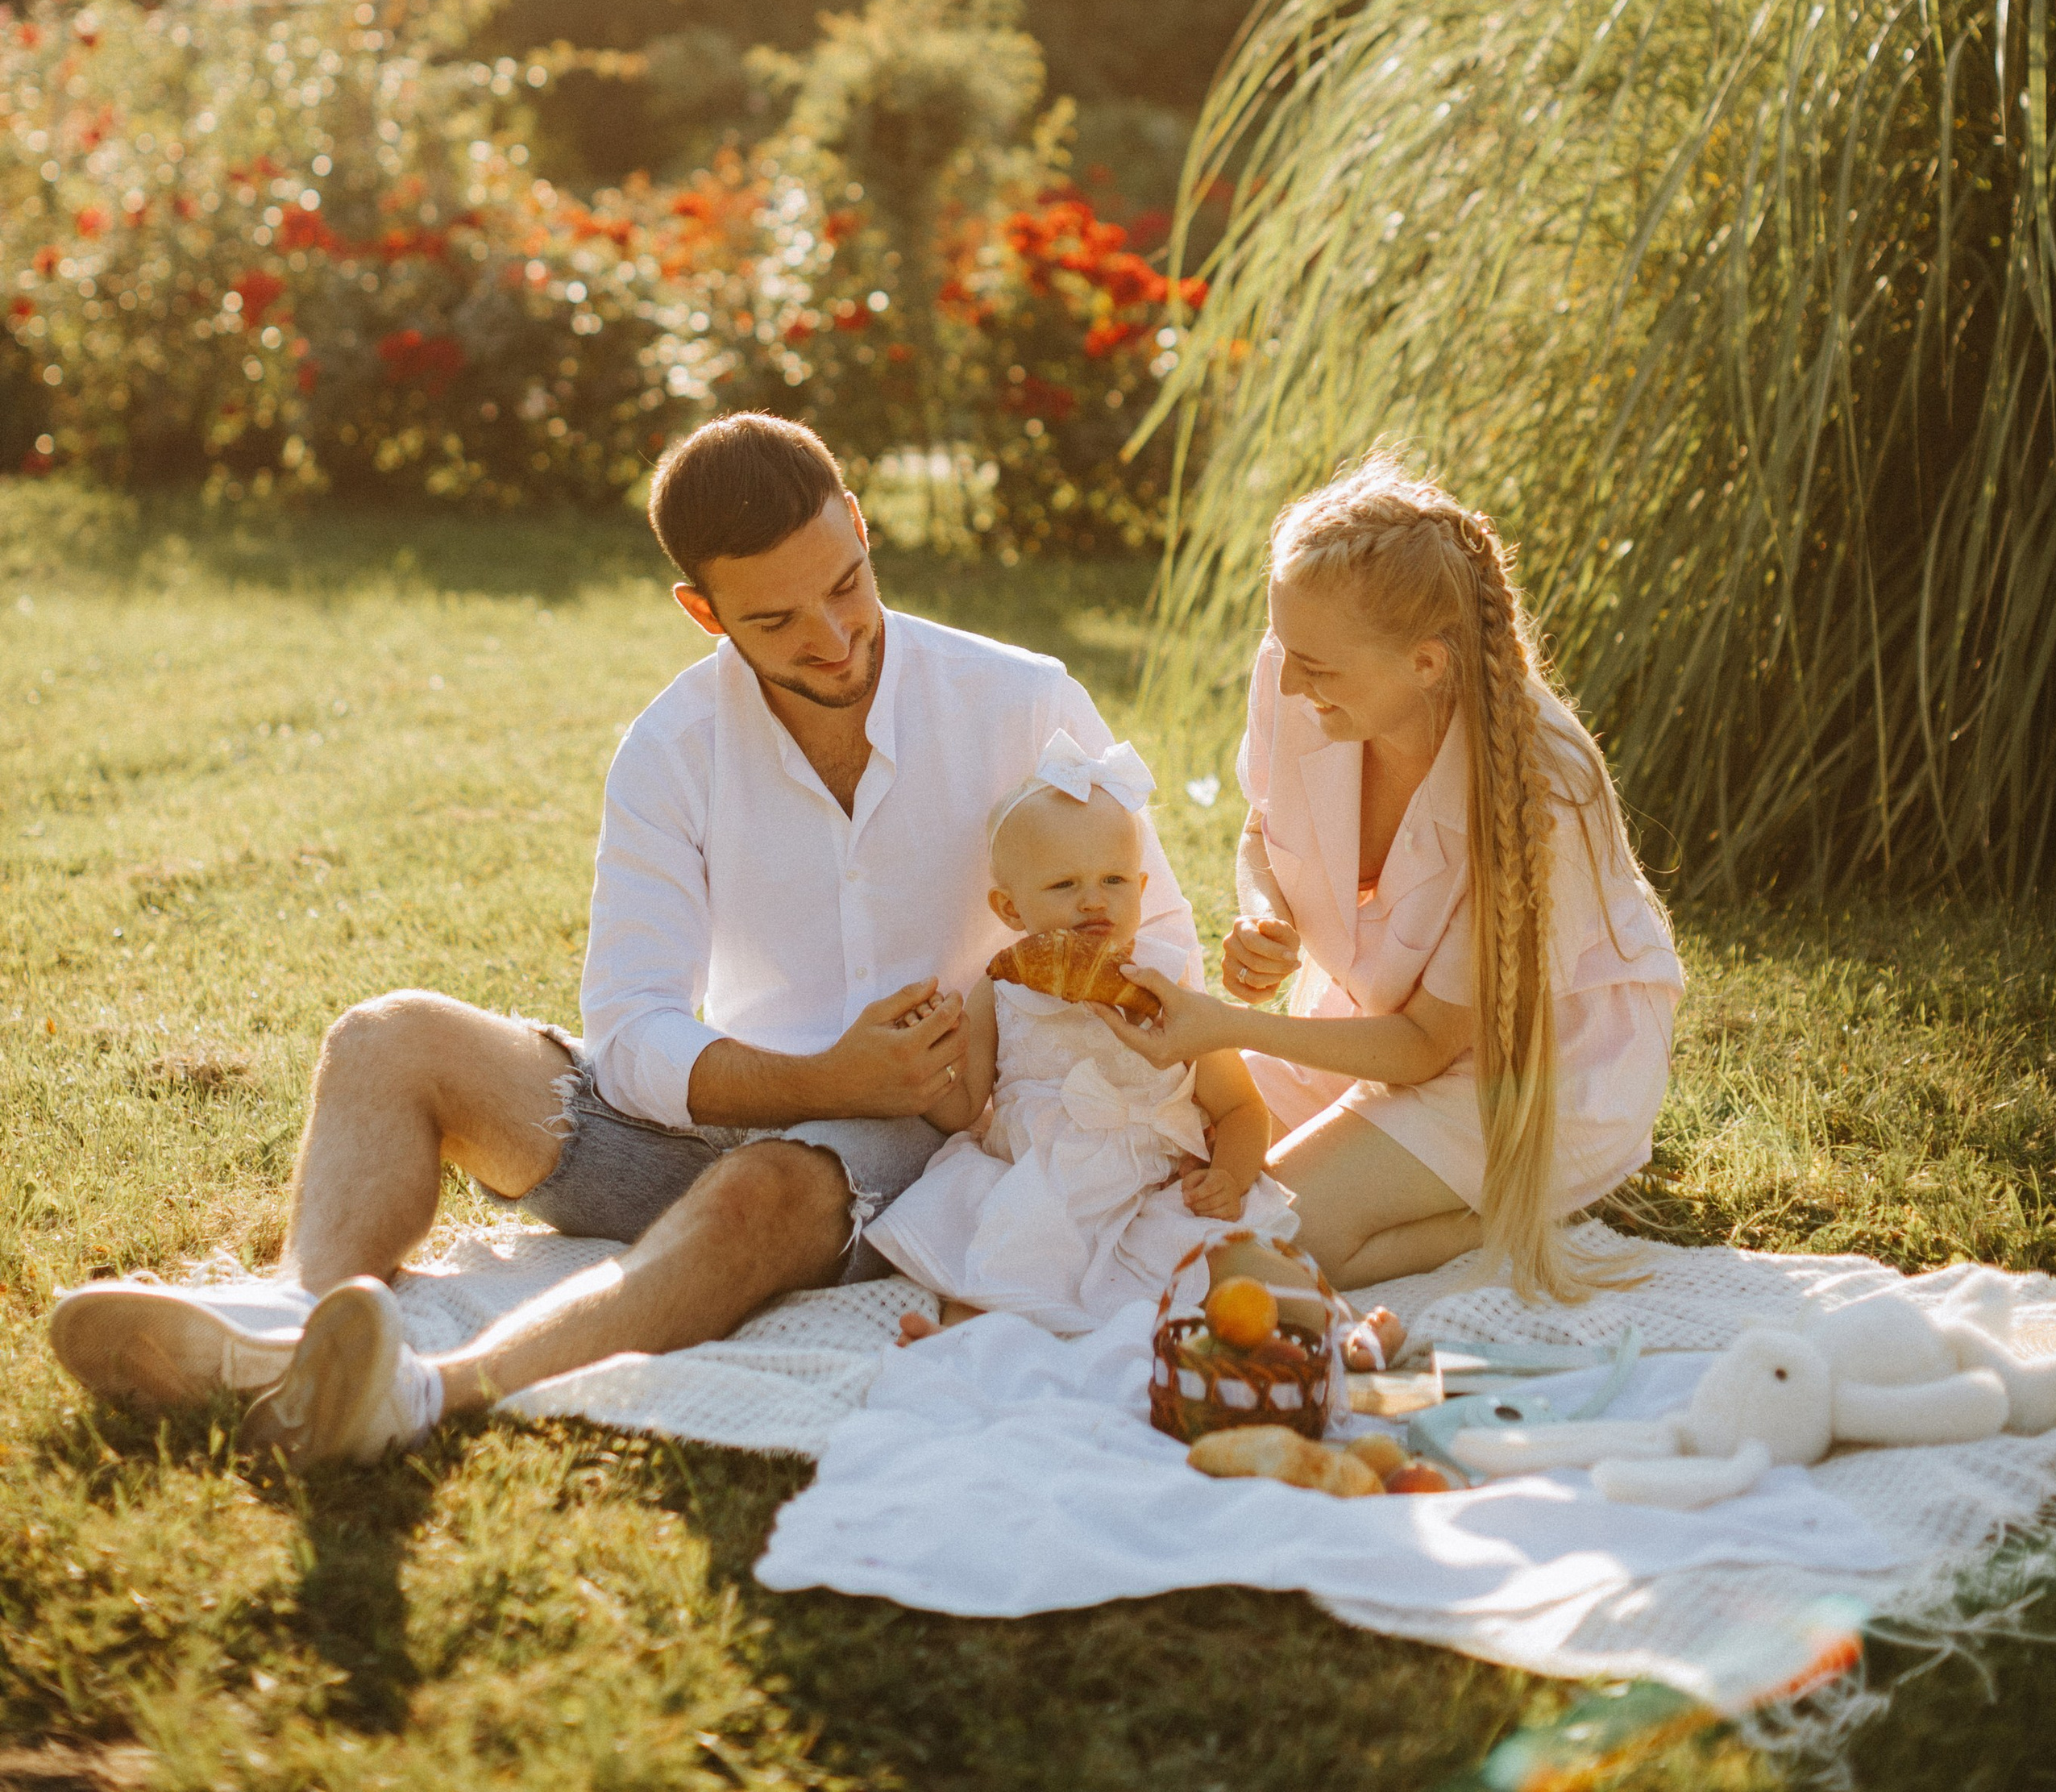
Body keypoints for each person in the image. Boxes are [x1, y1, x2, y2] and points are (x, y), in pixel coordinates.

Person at [48, 414, 1200, 1463]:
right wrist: (813, 1073)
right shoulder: (672, 746)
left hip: (916, 1153)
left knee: (760, 1191)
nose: (835, 637)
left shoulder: (1022, 700)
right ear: (703, 611)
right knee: (389, 1036)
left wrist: (953, 1089)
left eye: (846, 586)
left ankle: (423, 1392)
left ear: (858, 525)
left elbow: (1157, 940)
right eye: (776, 620)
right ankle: (303, 1330)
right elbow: (632, 1027)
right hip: (711, 1111)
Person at [1105, 454, 1682, 1303]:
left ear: (1425, 664)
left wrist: (1226, 1025)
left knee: (1263, 1240)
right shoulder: (1304, 671)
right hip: (1372, 1022)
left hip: (1534, 1067)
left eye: (1316, 666)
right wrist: (1267, 915)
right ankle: (1418, 1193)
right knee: (1152, 1146)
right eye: (1283, 648)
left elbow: (1423, 1047)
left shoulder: (1544, 790)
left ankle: (1519, 1204)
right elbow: (1263, 830)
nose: (1287, 681)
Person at [868, 733, 1290, 1336]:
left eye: (1115, 880)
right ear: (1010, 911)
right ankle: (964, 1345)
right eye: (1065, 886)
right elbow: (964, 1109)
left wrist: (1229, 1175)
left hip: (1150, 1194)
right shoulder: (1003, 991)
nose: (1094, 901)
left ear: (1142, 891)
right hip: (1038, 1190)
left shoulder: (1170, 989)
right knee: (1001, 1262)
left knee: (1224, 1279)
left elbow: (1244, 1107)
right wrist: (930, 1059)